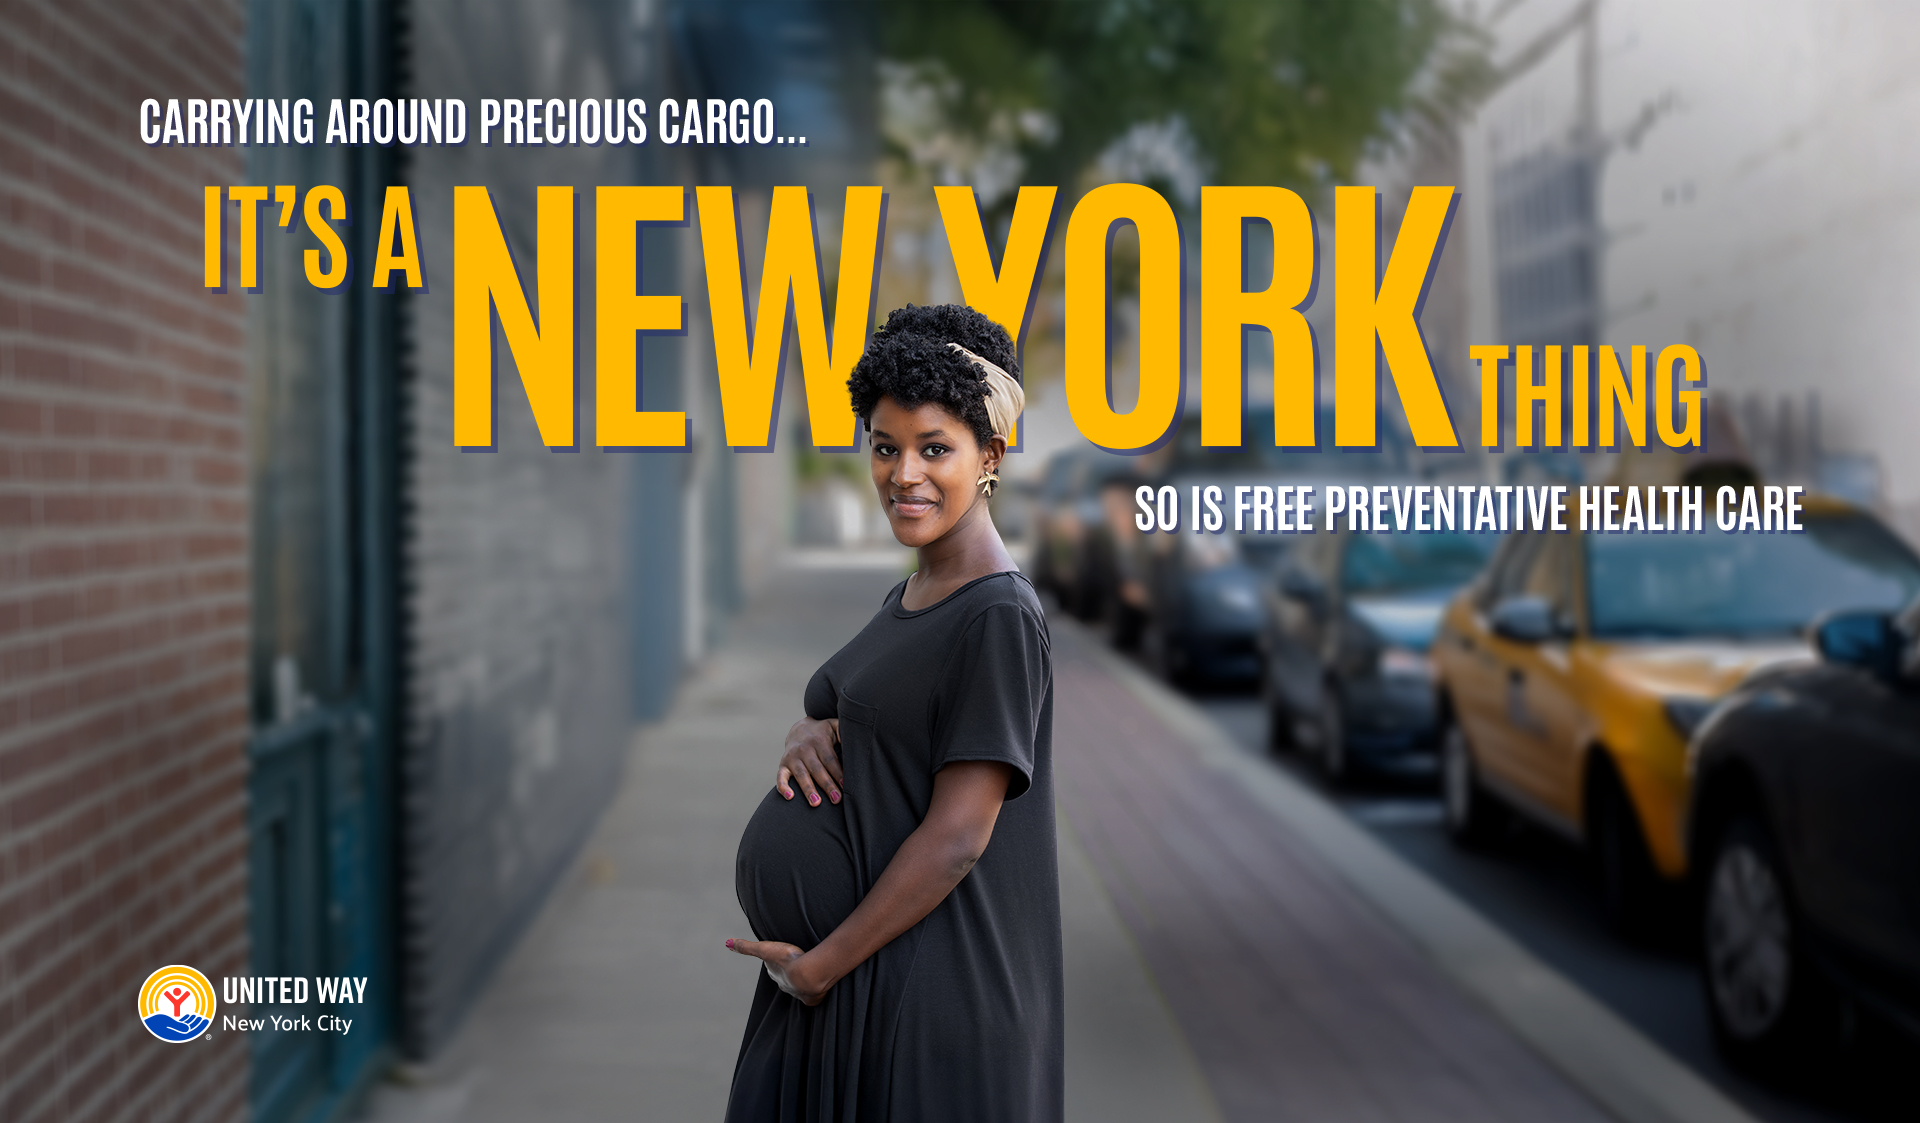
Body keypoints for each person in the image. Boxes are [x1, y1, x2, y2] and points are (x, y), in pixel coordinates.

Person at [723, 304, 1062, 1121]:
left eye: (934, 448)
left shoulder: (997, 615)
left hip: (924, 1000)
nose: (904, 474)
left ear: (991, 455)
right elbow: (867, 709)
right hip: (860, 981)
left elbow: (956, 838)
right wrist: (812, 727)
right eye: (885, 446)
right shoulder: (918, 586)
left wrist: (820, 966)